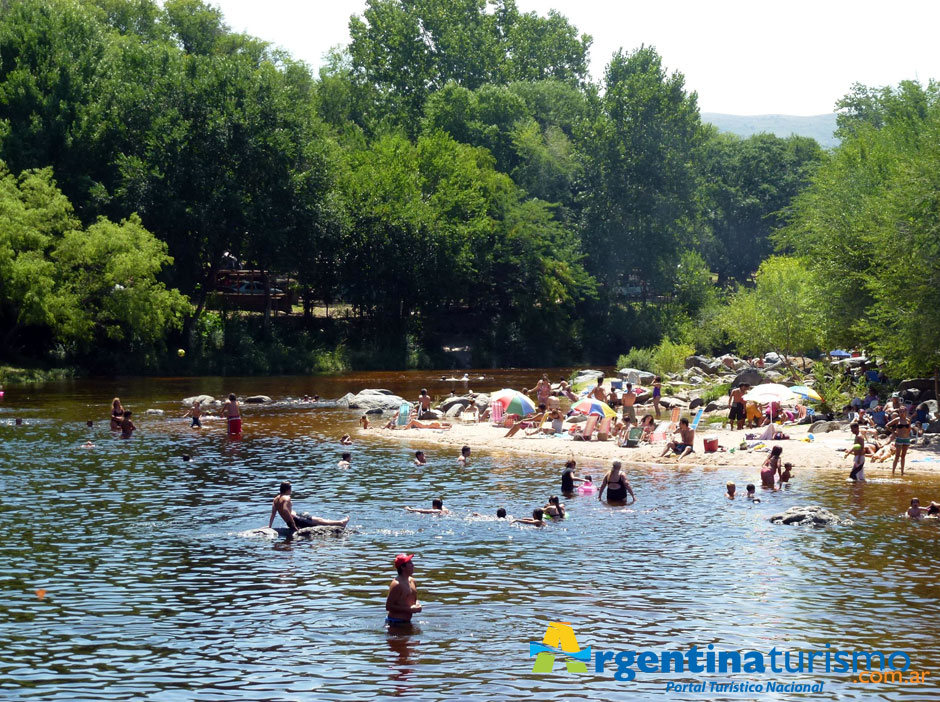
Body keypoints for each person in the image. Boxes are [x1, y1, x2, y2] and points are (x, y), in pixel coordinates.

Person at [268, 481, 349, 531]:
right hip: (297, 521)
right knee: (320, 521)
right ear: (287, 490)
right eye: (290, 489)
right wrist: (294, 525)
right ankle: (341, 523)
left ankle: (340, 522)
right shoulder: (287, 498)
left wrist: (270, 526)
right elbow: (285, 510)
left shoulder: (276, 499)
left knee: (315, 518)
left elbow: (273, 513)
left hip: (294, 519)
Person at [385, 553, 422, 627]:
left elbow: (414, 599)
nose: (413, 565)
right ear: (402, 567)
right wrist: (409, 610)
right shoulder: (397, 584)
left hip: (407, 621)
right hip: (395, 623)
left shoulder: (412, 580)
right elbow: (388, 606)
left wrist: (418, 605)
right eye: (409, 563)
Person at [888, 407, 913, 476]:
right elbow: (887, 425)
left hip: (906, 439)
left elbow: (909, 430)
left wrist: (909, 426)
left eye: (903, 411)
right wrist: (894, 432)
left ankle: (902, 471)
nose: (902, 413)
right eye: (900, 411)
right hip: (899, 439)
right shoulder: (897, 419)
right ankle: (893, 471)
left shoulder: (908, 420)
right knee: (897, 455)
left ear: (906, 412)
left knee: (903, 456)